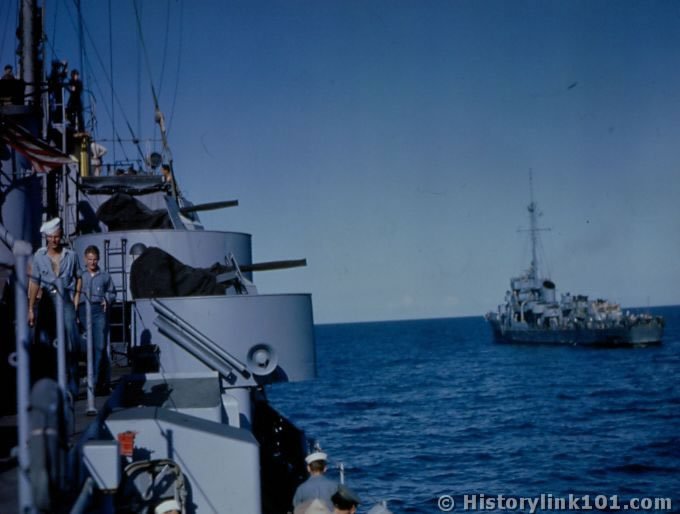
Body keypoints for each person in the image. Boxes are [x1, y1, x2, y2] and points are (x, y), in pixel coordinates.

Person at [28, 218, 82, 398]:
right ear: (46, 237)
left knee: (72, 341)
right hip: (46, 300)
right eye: (51, 237)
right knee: (44, 341)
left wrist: (76, 299)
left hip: (65, 299)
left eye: (57, 237)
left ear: (61, 236)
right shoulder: (39, 256)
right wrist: (30, 308)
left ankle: (73, 383)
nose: (54, 240)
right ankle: (47, 384)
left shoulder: (71, 256)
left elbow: (79, 277)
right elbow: (34, 283)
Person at [75, 245, 116, 395]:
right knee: (87, 348)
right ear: (85, 259)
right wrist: (75, 313)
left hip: (99, 312)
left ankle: (95, 382)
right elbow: (75, 294)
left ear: (98, 259)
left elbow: (112, 292)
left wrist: (107, 298)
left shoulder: (105, 276)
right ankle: (89, 380)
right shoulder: (80, 275)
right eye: (90, 259)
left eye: (95, 259)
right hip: (82, 311)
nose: (92, 262)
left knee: (99, 347)